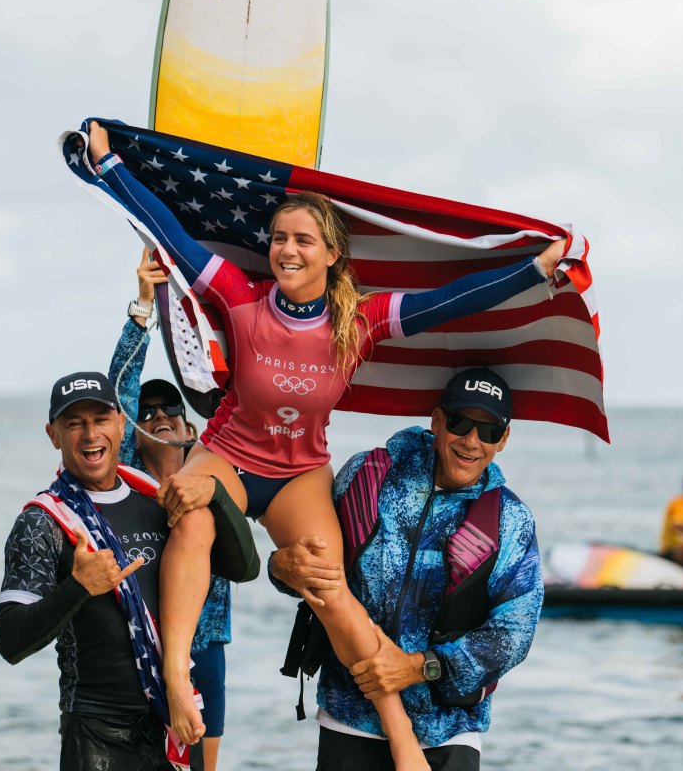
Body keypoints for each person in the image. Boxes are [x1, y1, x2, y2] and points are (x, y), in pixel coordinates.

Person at [84, 120, 564, 771]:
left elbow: (449, 302)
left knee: (330, 584)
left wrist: (532, 271)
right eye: (279, 238)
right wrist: (111, 169)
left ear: (331, 253)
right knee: (191, 519)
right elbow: (171, 233)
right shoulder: (240, 297)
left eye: (303, 239)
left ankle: (401, 739)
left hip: (297, 473)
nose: (287, 249)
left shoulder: (356, 323)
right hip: (229, 454)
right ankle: (175, 678)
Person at [271, 368, 543, 771]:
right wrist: (281, 569)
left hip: (449, 731)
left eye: (488, 431)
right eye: (460, 423)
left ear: (503, 440)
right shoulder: (367, 477)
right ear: (436, 421)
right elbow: (317, 568)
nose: (471, 441)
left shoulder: (511, 521)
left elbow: (514, 635)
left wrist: (418, 667)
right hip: (350, 719)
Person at [0, 371, 258, 771]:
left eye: (100, 419)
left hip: (178, 717)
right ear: (53, 435)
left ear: (120, 422)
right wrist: (78, 587)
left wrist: (217, 494)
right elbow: (10, 641)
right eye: (74, 423)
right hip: (98, 733)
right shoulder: (44, 523)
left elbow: (245, 568)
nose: (89, 434)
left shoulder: (158, 501)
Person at [109, 249, 234, 770]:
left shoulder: (214, 474)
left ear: (190, 431)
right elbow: (120, 393)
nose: (158, 415)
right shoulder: (126, 480)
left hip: (204, 646)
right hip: (137, 646)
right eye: (149, 410)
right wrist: (143, 306)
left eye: (171, 410)